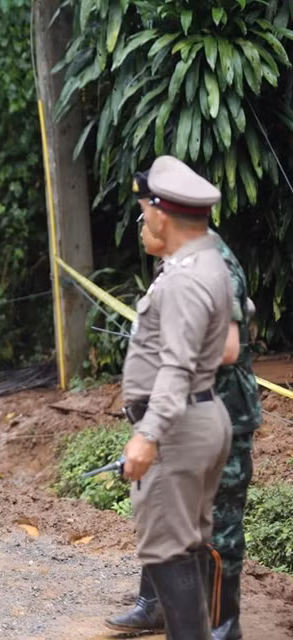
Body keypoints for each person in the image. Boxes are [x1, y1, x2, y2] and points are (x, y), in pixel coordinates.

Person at [106, 173, 262, 639]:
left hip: (218, 411)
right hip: (181, 412)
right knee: (166, 513)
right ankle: (155, 605)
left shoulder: (212, 264)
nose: (141, 224)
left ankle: (221, 627)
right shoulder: (178, 262)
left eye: (144, 213)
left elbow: (228, 347)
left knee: (216, 529)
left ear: (166, 215)